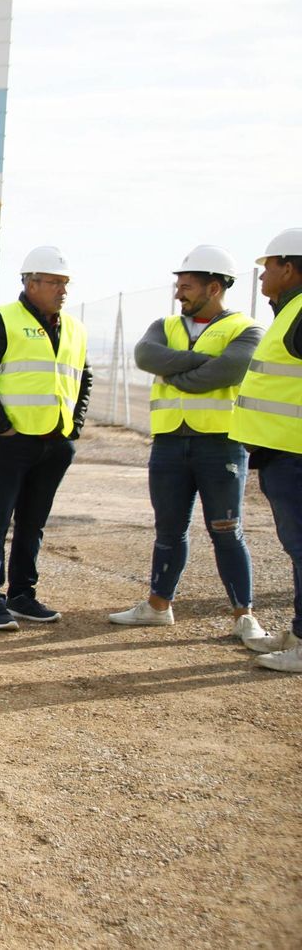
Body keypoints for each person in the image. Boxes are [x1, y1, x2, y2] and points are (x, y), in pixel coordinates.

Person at [111, 246, 267, 639]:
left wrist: (178, 370)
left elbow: (230, 370)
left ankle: (243, 616)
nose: (178, 294)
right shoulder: (162, 327)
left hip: (220, 444)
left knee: (227, 530)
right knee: (168, 529)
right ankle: (158, 606)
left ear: (213, 288)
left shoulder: (246, 329)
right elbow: (146, 357)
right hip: (167, 444)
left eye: (186, 286)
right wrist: (204, 363)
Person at [0, 245, 92, 631]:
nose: (62, 291)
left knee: (33, 523)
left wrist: (75, 426)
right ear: (30, 283)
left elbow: (83, 379)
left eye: (65, 283)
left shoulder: (75, 329)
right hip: (9, 443)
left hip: (55, 442)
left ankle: (22, 595)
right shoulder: (1, 320)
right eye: (53, 282)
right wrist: (1, 426)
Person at [232, 228, 302, 672]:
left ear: (289, 268)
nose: (262, 275)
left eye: (268, 267)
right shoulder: (290, 310)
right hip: (283, 452)